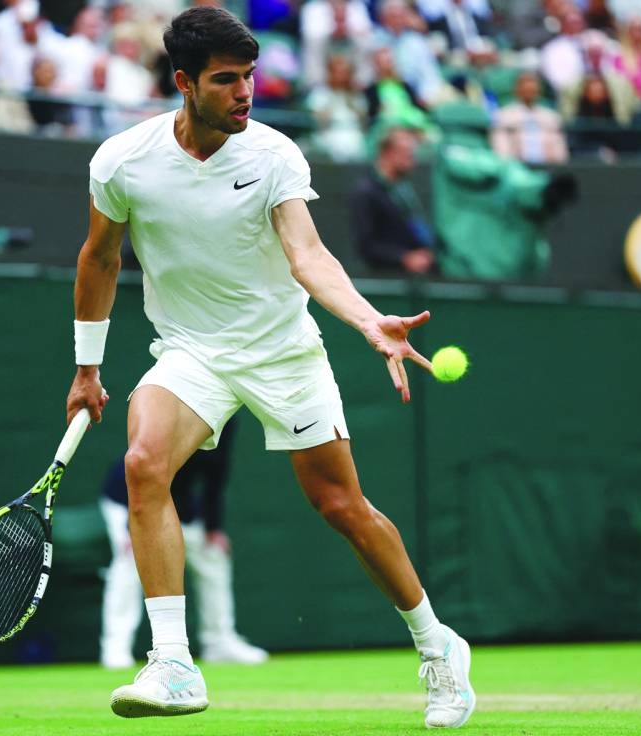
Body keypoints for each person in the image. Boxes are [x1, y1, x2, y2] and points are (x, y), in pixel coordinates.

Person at [65, 6, 475, 729]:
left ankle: (437, 646)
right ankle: (173, 664)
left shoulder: (275, 155)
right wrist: (86, 368)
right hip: (192, 351)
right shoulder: (122, 160)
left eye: (250, 76)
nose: (245, 92)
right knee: (142, 462)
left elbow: (307, 254)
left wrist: (364, 319)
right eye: (227, 80)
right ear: (185, 84)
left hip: (282, 351)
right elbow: (100, 257)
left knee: (341, 507)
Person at [98, 419, 268, 669]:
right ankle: (116, 649)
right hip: (128, 496)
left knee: (213, 554)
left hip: (179, 501)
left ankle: (219, 642)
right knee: (131, 562)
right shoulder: (175, 407)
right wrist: (132, 528)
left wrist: (213, 528)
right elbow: (141, 463)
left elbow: (217, 471)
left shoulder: (228, 417)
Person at [349, 126, 437, 274]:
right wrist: (404, 258)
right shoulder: (366, 192)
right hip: (383, 278)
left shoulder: (403, 190)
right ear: (388, 152)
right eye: (408, 155)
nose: (413, 162)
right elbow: (366, 245)